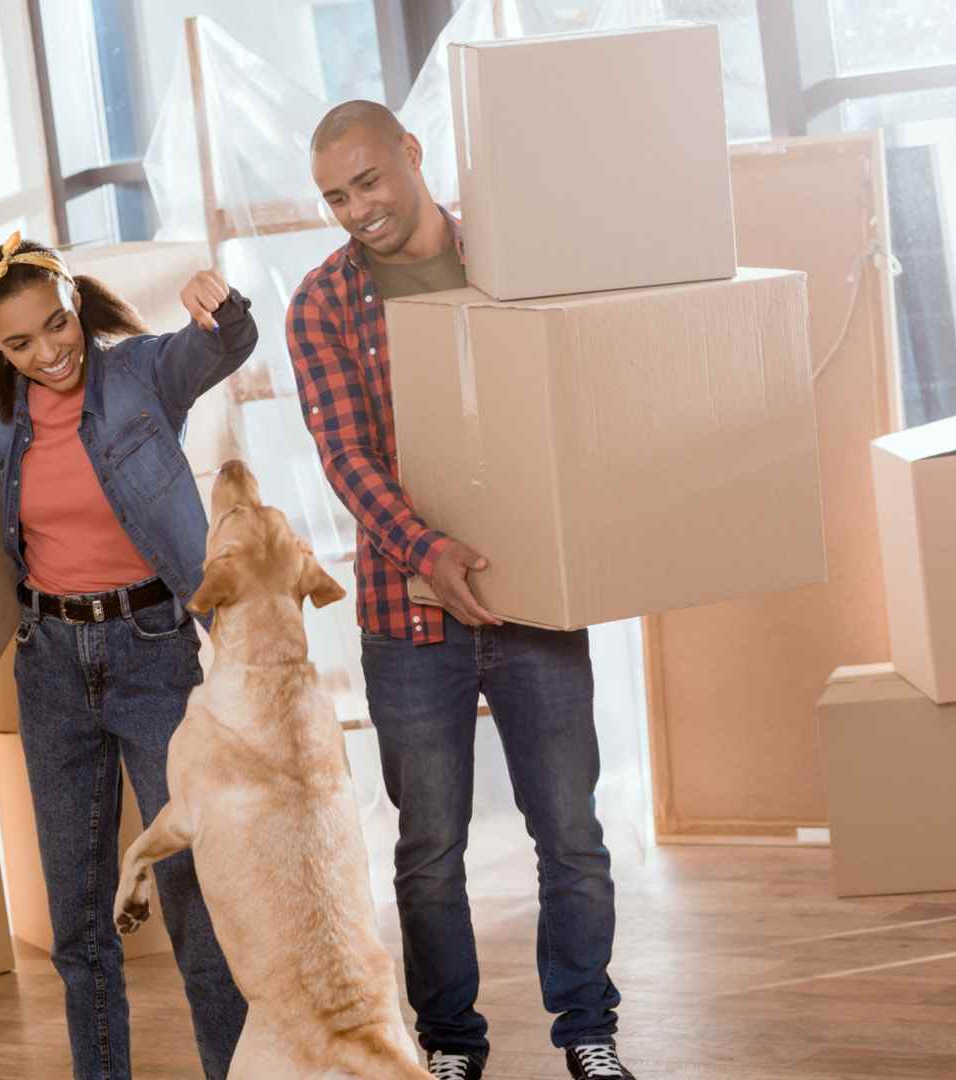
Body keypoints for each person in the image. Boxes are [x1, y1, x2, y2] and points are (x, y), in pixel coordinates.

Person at [284, 101, 635, 1080]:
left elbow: (575, 393)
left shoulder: (511, 258)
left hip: (535, 599)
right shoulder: (320, 303)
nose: (355, 209)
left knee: (570, 833)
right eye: (333, 197)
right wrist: (424, 549)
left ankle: (588, 1033)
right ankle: (449, 1044)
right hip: (408, 617)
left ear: (411, 153)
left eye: (366, 182)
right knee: (428, 851)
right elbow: (346, 458)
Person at [0, 231, 254, 1079]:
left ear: (74, 304)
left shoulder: (139, 373)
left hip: (152, 651)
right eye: (19, 343)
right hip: (49, 662)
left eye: (56, 326)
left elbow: (229, 344)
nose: (48, 352)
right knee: (79, 922)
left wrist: (220, 305)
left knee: (193, 903)